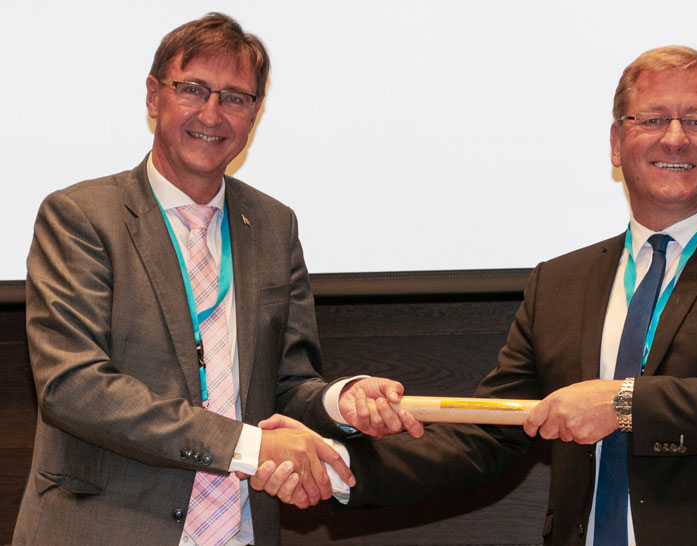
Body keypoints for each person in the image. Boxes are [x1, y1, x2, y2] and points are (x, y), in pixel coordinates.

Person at [293, 46, 697, 546]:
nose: (674, 137)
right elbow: (488, 435)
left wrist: (624, 403)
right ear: (615, 143)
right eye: (651, 119)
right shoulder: (559, 281)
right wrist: (338, 464)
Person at [13, 13, 421, 546]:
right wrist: (246, 447)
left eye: (235, 98)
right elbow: (74, 388)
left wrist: (339, 402)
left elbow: (288, 385)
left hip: (241, 531)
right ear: (153, 96)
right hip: (106, 527)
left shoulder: (275, 225)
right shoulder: (81, 216)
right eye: (193, 90)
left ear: (254, 114)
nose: (212, 113)